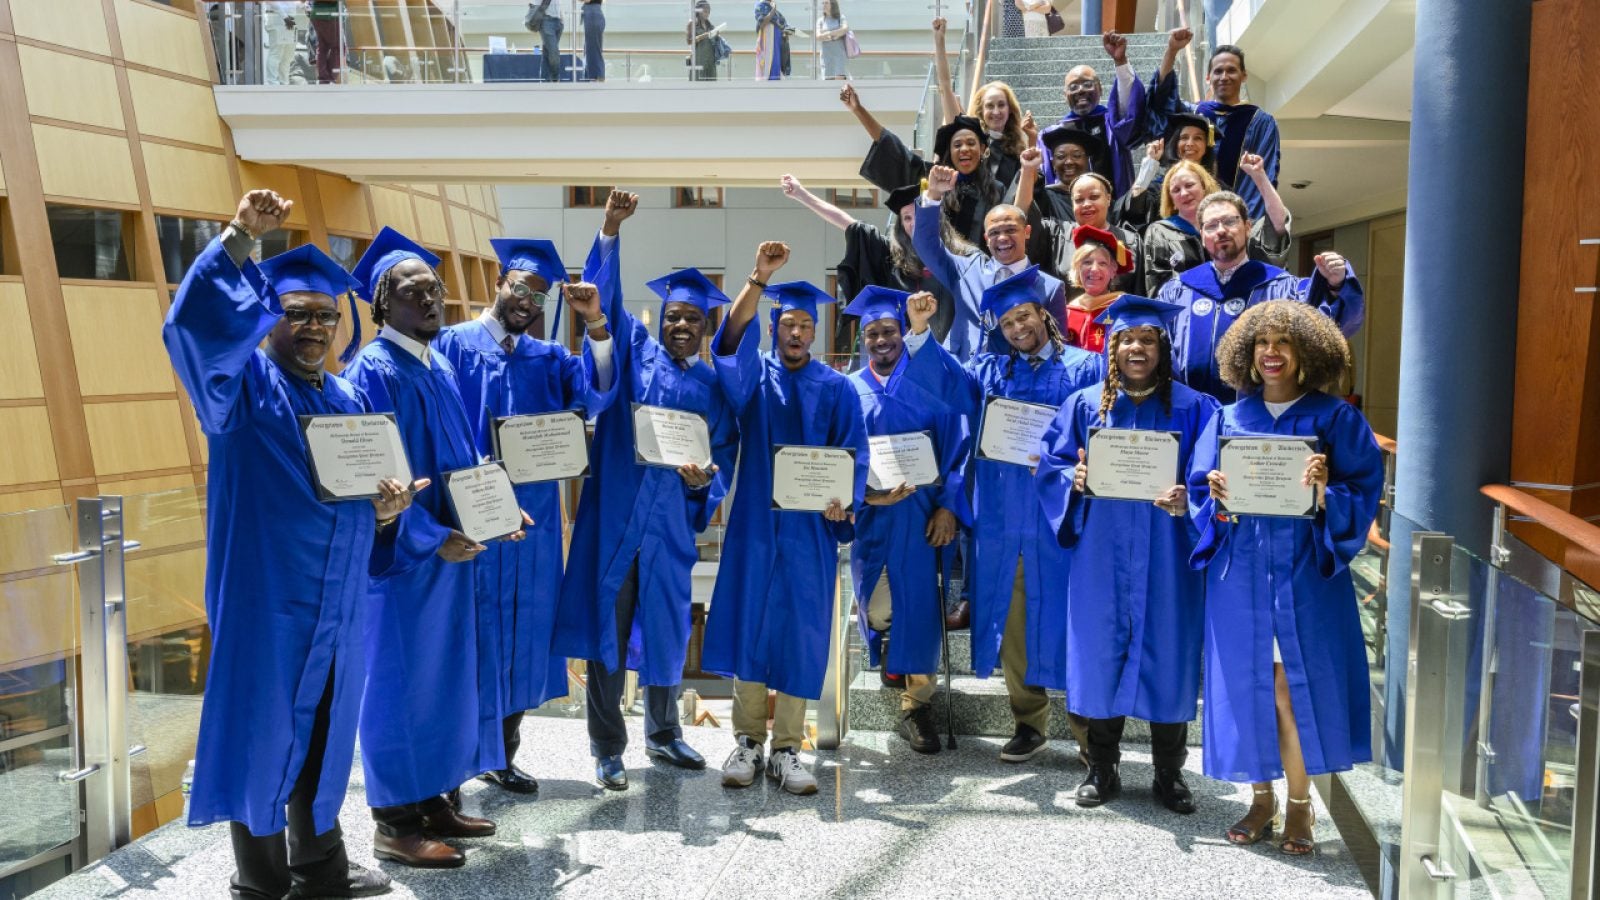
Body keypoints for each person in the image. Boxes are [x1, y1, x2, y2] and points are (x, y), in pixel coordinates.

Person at [164, 190, 411, 900]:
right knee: (263, 737)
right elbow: (194, 331)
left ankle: (322, 866)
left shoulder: (347, 401)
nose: (313, 327)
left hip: (336, 606)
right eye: (296, 313)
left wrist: (387, 514)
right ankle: (260, 882)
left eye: (325, 316)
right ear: (266, 319)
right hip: (269, 607)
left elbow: (359, 502)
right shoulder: (239, 392)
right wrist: (241, 236)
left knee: (327, 737)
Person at [343, 228, 524, 869]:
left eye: (436, 289)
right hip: (401, 565)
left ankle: (434, 801)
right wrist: (430, 537)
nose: (432, 299)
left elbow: (465, 459)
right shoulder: (372, 372)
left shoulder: (437, 362)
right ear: (382, 304)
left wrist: (498, 508)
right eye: (415, 290)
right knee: (398, 683)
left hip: (453, 555)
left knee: (443, 679)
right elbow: (376, 480)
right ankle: (394, 822)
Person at [556, 191, 741, 790]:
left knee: (666, 628)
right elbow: (600, 317)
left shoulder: (714, 389)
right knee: (607, 637)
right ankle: (607, 746)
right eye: (672, 317)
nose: (680, 324)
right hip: (616, 522)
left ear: (707, 326)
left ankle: (664, 735)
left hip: (667, 529)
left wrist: (702, 487)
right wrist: (610, 230)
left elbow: (719, 461)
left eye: (692, 318)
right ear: (660, 320)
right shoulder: (635, 356)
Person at [1188, 300, 1383, 855]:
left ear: (1306, 353)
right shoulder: (1227, 418)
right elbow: (1202, 492)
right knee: (1249, 686)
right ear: (1245, 355)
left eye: (1283, 343)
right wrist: (1218, 499)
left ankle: (1301, 805)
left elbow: (1364, 489)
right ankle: (1260, 798)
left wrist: (1325, 492)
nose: (1271, 353)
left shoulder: (1335, 417)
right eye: (1261, 344)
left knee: (1288, 690)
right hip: (1240, 575)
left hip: (1303, 573)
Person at [432, 236, 614, 797]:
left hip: (532, 523)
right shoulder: (450, 344)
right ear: (498, 282)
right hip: (471, 516)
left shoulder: (550, 356)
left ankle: (502, 755)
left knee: (522, 636)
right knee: (469, 638)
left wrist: (596, 326)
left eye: (538, 295)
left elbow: (600, 392)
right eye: (521, 288)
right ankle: (450, 768)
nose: (529, 301)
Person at [901, 269, 1103, 764]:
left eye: (1025, 316)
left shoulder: (1087, 367)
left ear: (1044, 317)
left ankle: (1088, 730)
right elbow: (945, 380)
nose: (1018, 328)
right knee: (1014, 623)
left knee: (1072, 622)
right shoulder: (990, 372)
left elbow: (1104, 429)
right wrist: (921, 330)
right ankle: (1028, 723)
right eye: (1008, 322)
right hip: (1002, 518)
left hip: (1064, 519)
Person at [1035, 295, 1218, 812]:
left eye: (1148, 340)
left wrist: (1191, 497)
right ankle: (1102, 768)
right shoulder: (1085, 404)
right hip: (1100, 551)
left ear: (1163, 347)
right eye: (1127, 339)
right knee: (1099, 651)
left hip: (1167, 552)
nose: (1137, 347)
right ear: (1112, 348)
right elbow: (1049, 467)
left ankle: (1169, 775)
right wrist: (1073, 478)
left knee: (1170, 653)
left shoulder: (1197, 407)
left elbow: (1207, 480)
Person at [704, 242, 868, 796]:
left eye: (806, 325)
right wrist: (758, 278)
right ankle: (748, 741)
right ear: (773, 327)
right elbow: (727, 347)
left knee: (802, 631)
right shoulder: (754, 383)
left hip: (811, 532)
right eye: (787, 324)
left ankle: (787, 750)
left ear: (816, 332)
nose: (796, 333)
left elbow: (854, 456)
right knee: (752, 622)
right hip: (754, 526)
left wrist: (845, 501)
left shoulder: (839, 388)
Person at [841, 287, 969, 753]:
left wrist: (949, 505)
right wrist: (866, 496)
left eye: (889, 331)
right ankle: (897, 660)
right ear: (862, 339)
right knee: (877, 608)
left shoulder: (930, 382)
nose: (881, 340)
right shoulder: (848, 389)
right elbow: (839, 454)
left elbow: (960, 445)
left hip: (923, 516)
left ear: (902, 334)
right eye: (872, 333)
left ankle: (917, 705)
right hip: (873, 518)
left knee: (920, 608)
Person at [1156, 191, 1361, 401]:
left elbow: (1327, 324)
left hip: (1257, 419)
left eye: (1229, 221)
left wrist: (1336, 284)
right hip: (1190, 416)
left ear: (1247, 227)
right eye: (1211, 225)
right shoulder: (1178, 291)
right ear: (1202, 234)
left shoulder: (1280, 287)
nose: (1221, 231)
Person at [780, 175, 968, 351]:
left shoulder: (961, 256)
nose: (913, 223)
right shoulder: (891, 257)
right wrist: (801, 194)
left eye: (918, 214)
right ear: (901, 225)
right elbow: (848, 224)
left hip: (957, 352)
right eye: (907, 218)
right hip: (906, 355)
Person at [914, 164, 1067, 359]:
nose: (1002, 238)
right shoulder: (966, 271)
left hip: (1013, 383)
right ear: (986, 239)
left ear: (1026, 232)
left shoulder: (1050, 288)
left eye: (1010, 230)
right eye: (994, 233)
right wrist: (933, 195)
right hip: (962, 376)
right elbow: (926, 244)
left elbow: (1058, 349)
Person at [843, 84, 1006, 249]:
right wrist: (859, 110)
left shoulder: (995, 189)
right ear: (949, 151)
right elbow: (893, 149)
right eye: (957, 145)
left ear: (983, 149)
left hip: (978, 271)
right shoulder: (930, 178)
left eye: (971, 143)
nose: (964, 149)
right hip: (931, 270)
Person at [1151, 30, 1281, 221]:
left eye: (1231, 70)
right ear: (1208, 77)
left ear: (1244, 76)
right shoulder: (1194, 114)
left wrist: (1245, 222)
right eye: (1218, 71)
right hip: (1188, 217)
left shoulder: (1260, 122)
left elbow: (1265, 174)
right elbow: (1161, 101)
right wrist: (1171, 51)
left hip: (1233, 222)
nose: (1224, 76)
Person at [1141, 156, 1290, 297]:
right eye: (1176, 190)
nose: (1184, 193)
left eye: (1189, 185)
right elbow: (1158, 290)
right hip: (1189, 316)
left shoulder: (1233, 226)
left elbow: (1277, 226)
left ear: (1204, 187)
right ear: (1171, 199)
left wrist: (1260, 177)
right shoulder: (1161, 232)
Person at [1037, 31, 1149, 193]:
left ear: (1100, 90)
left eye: (1087, 84)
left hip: (1113, 210)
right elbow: (1046, 176)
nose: (1081, 90)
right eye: (1073, 87)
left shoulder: (1112, 125)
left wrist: (1120, 61)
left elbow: (1130, 110)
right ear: (1065, 95)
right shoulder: (1052, 135)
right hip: (1068, 213)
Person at [1017, 163, 1143, 297]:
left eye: (1094, 197)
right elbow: (1020, 220)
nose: (1087, 204)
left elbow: (1140, 290)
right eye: (1079, 200)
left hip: (1117, 316)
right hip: (1066, 315)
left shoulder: (1129, 240)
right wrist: (1027, 170)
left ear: (1108, 199)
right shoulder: (1056, 233)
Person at [1120, 112, 1215, 230]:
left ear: (1207, 146)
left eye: (1198, 138)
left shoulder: (1219, 187)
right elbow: (1133, 212)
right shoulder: (1159, 188)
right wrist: (1148, 166)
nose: (1190, 143)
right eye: (1184, 137)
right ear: (1176, 144)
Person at [1059, 225, 1135, 353]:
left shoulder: (1124, 309)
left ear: (1113, 271)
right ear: (1077, 269)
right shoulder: (1067, 312)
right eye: (1087, 262)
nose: (1094, 269)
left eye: (1102, 263)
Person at [262, 2, 304, 86]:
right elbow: (273, 3)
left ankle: (284, 82)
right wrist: (285, 17)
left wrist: (303, 5)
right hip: (277, 21)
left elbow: (295, 4)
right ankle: (273, 82)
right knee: (276, 54)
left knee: (287, 56)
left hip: (291, 21)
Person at [526, 0, 564, 83]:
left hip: (558, 22)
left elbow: (557, 5)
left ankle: (544, 80)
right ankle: (555, 79)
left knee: (547, 52)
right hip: (546, 21)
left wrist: (561, 19)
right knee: (554, 53)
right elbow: (535, 5)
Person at [308, 1, 340, 84]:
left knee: (322, 47)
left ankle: (323, 78)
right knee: (337, 46)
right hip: (329, 15)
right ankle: (330, 77)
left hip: (316, 15)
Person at [687, 1, 720, 81]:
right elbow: (689, 41)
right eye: (705, 11)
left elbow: (714, 42)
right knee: (697, 88)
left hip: (710, 62)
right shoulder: (692, 24)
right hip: (698, 61)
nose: (707, 14)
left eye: (709, 12)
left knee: (712, 88)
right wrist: (704, 36)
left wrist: (717, 35)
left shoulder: (710, 26)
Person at [817, 0, 849, 79]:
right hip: (826, 55)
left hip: (839, 55)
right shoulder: (821, 20)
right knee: (827, 80)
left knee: (839, 81)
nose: (824, 5)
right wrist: (836, 34)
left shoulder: (841, 17)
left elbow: (845, 29)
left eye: (826, 3)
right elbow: (818, 36)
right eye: (823, 3)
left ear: (833, 4)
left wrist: (828, 33)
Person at [754, 0, 783, 80]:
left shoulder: (776, 12)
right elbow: (762, 23)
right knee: (766, 68)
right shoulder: (761, 6)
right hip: (766, 44)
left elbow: (783, 24)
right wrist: (773, 9)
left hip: (776, 45)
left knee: (775, 66)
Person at [581, 0, 605, 82]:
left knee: (592, 47)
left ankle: (596, 77)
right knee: (591, 47)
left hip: (592, 13)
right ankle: (593, 76)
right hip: (593, 12)